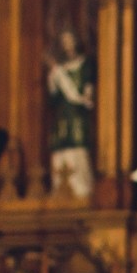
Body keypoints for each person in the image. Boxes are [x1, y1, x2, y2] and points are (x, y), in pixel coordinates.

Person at [45, 30, 94, 199]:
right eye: (64, 41)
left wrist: (85, 96)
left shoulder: (84, 63)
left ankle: (82, 189)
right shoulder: (60, 68)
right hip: (63, 114)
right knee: (61, 146)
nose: (67, 44)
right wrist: (54, 77)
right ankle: (60, 187)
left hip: (77, 113)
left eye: (69, 40)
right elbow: (54, 96)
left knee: (78, 144)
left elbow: (86, 90)